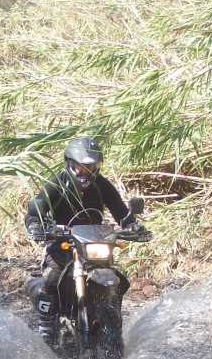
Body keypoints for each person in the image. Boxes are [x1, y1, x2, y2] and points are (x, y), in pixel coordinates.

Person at [23, 137, 140, 346]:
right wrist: (36, 225)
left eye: (92, 167)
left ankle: (112, 323)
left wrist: (133, 226)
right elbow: (35, 210)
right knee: (52, 277)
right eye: (82, 168)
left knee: (120, 280)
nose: (87, 172)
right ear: (70, 164)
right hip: (62, 242)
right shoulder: (57, 184)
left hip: (94, 241)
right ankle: (46, 324)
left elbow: (121, 211)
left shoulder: (101, 185)